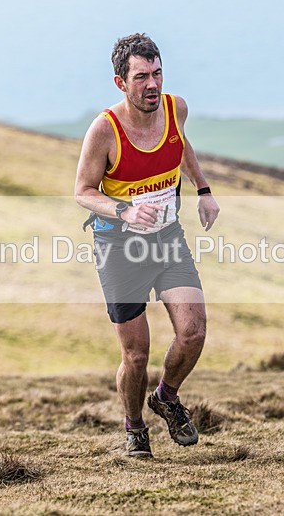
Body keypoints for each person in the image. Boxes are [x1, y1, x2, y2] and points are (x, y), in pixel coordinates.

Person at [74, 33, 220, 458]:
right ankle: (135, 427)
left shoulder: (176, 109)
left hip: (167, 239)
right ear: (121, 82)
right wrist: (123, 211)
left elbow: (180, 144)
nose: (152, 84)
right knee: (136, 355)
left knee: (193, 332)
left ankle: (166, 397)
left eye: (157, 73)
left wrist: (203, 189)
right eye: (141, 77)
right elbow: (83, 191)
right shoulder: (105, 130)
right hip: (118, 248)